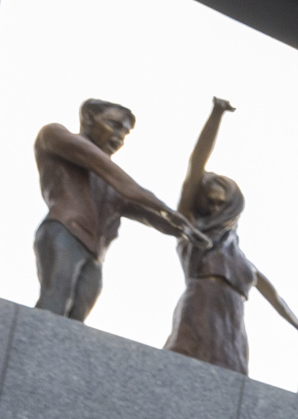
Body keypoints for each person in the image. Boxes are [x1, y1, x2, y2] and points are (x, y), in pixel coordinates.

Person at [162, 97, 298, 374]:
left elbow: (273, 296)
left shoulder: (240, 259)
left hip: (234, 320)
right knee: (188, 366)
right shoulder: (192, 227)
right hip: (201, 306)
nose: (214, 208)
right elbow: (196, 165)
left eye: (221, 203)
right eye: (209, 202)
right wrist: (217, 115)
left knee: (232, 378)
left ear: (232, 208)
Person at [29, 100, 186, 320]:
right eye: (114, 125)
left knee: (77, 317)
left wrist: (186, 230)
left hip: (95, 254)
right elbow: (122, 182)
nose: (120, 137)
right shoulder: (55, 135)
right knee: (54, 303)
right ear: (88, 118)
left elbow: (148, 215)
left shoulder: (112, 183)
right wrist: (162, 206)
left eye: (125, 133)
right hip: (64, 232)